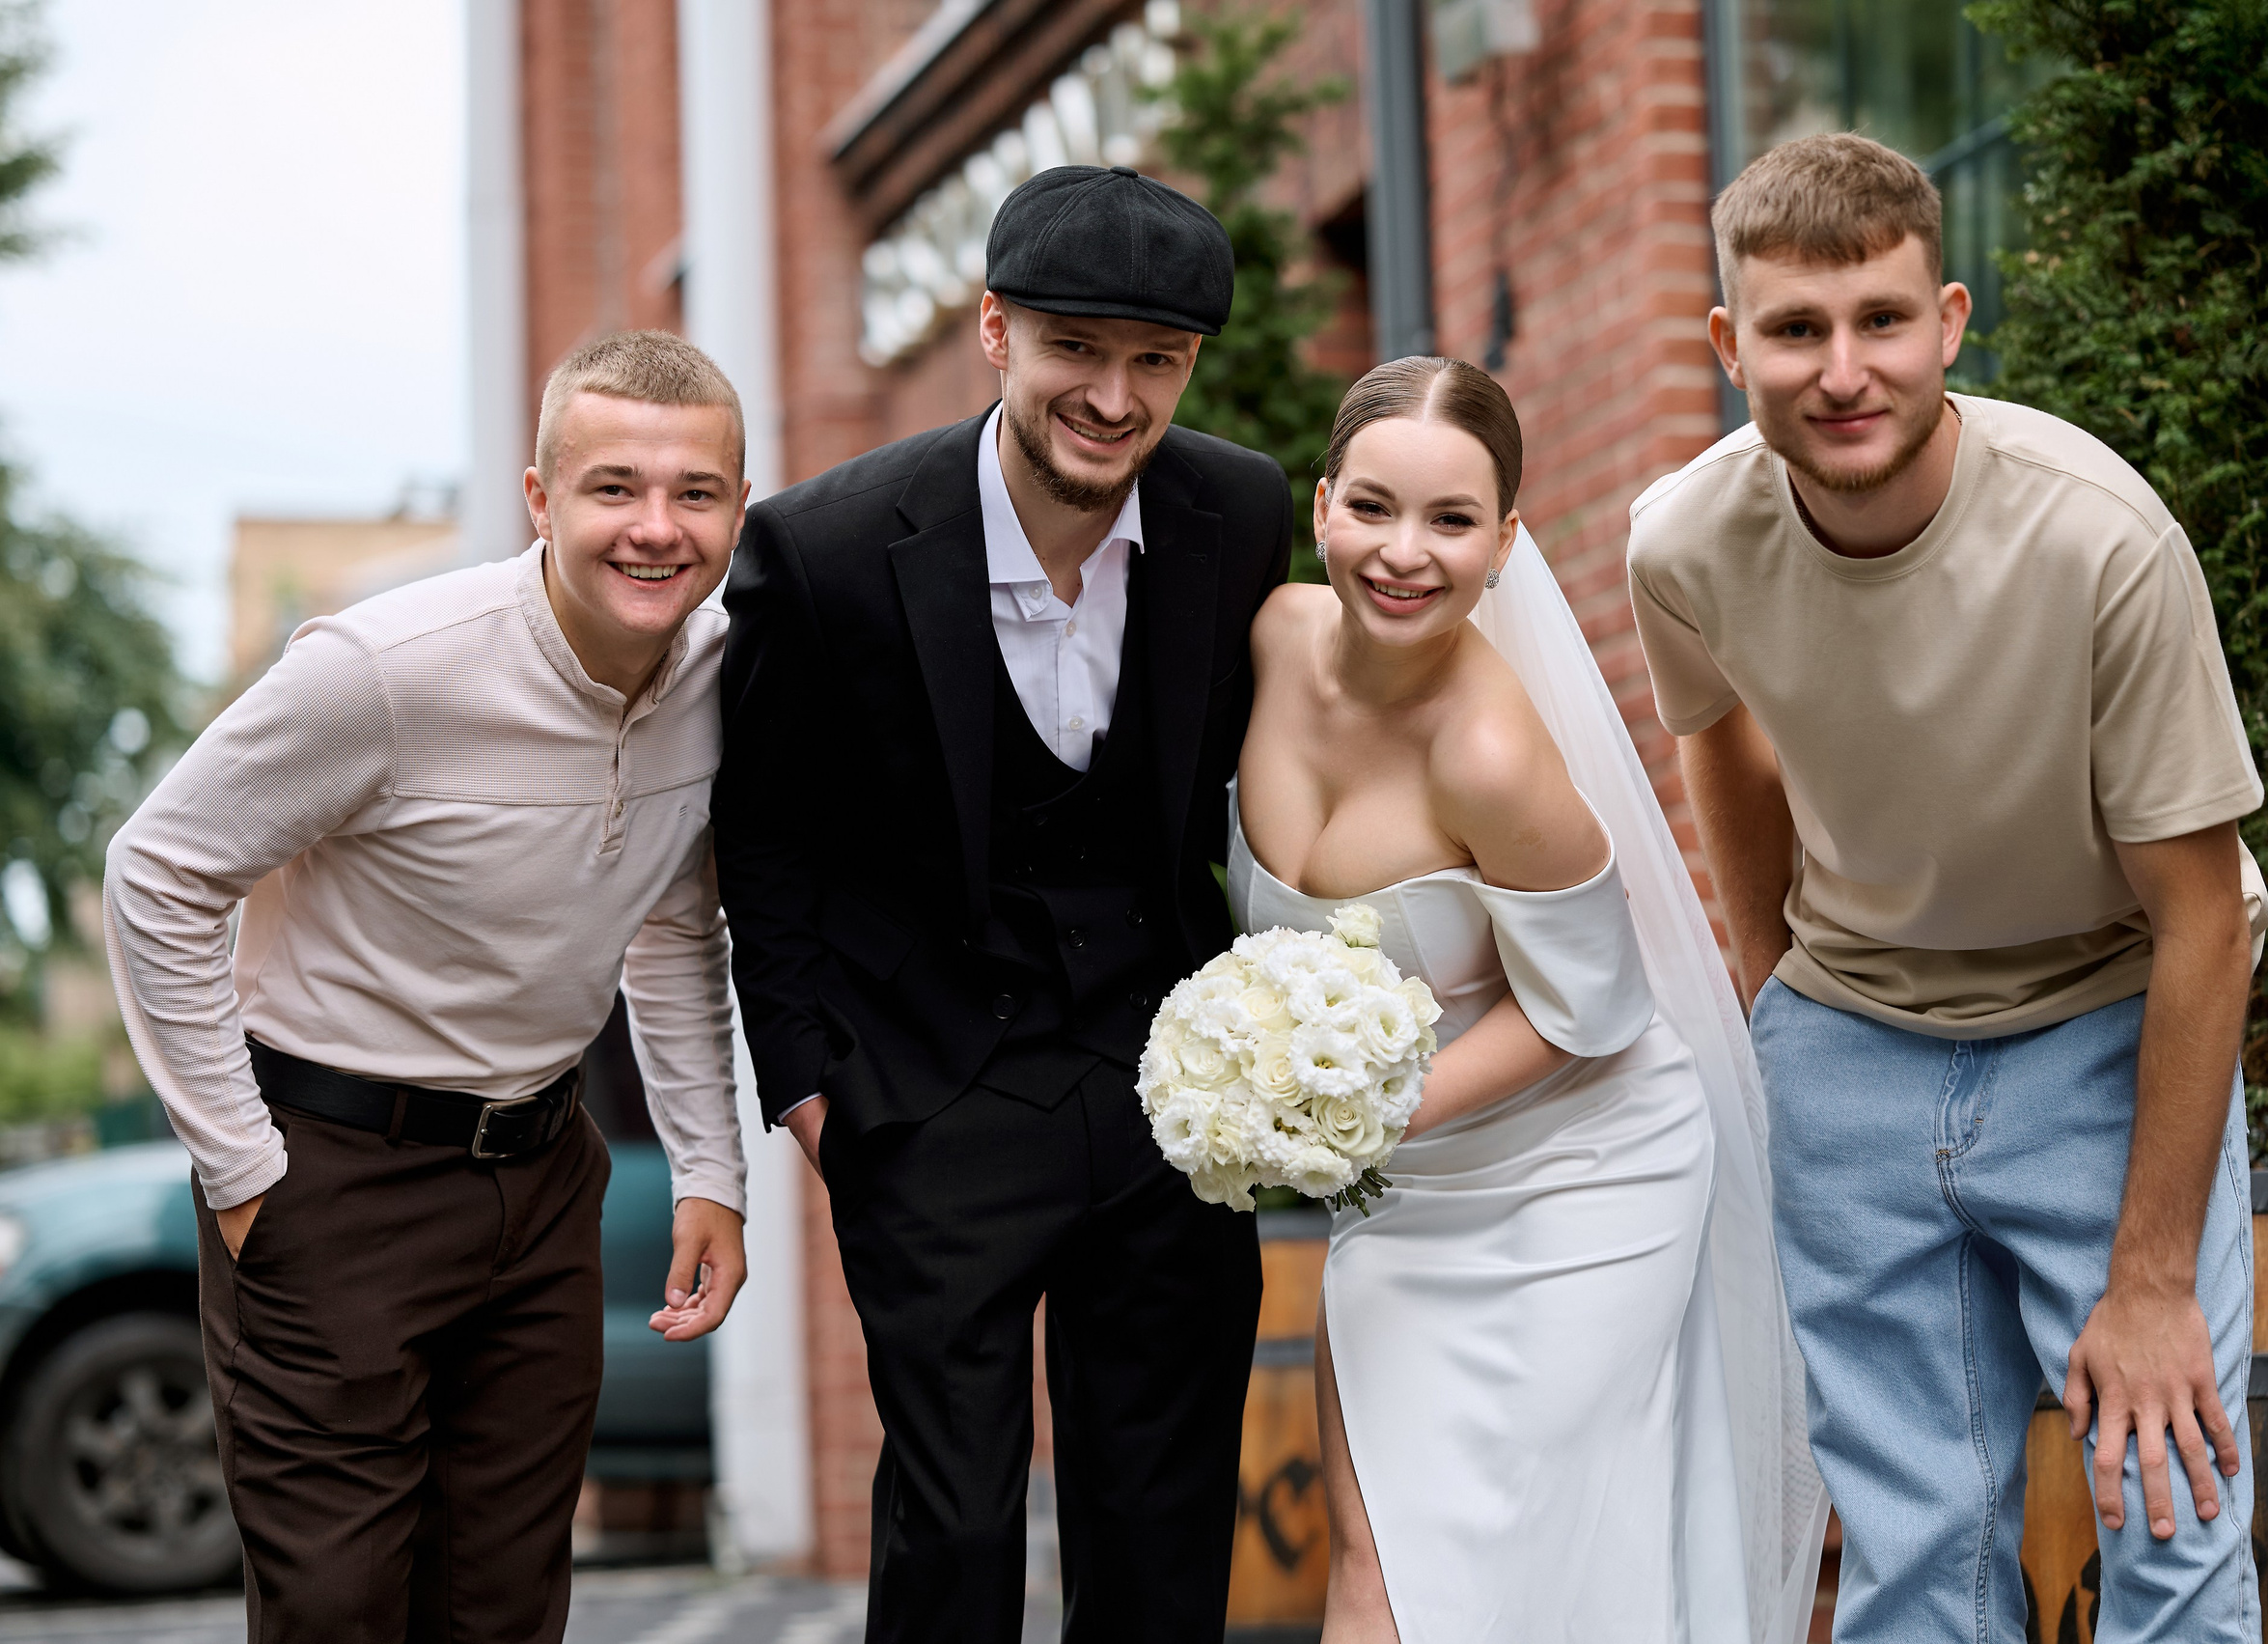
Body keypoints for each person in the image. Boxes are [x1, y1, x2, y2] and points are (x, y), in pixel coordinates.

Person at [1628, 133, 2268, 1644]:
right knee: (1915, 1551)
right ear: (1731, 346)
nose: (1842, 371)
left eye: (1883, 322)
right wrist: (1776, 1000)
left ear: (1952, 323)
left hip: (2102, 1021)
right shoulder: (1686, 540)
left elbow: (2203, 916)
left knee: (2167, 1517)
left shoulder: (2102, 541)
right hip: (1852, 1045)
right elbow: (1722, 743)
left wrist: (2156, 1280)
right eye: (1794, 329)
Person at [102, 331, 752, 1644]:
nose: (655, 529)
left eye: (696, 493)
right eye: (613, 487)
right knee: (340, 1612)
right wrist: (240, 1170)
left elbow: (677, 923)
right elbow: (158, 873)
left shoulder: (719, 676)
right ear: (538, 500)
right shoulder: (386, 670)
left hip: (544, 1176)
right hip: (330, 1180)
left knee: (503, 1608)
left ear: (738, 507)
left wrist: (709, 1171)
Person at [715, 164, 1289, 1641]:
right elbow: (762, 839)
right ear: (994, 330)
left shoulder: (1234, 513)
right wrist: (808, 1089)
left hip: (1165, 1087)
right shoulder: (827, 546)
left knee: (1162, 1519)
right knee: (957, 1524)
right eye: (1075, 350)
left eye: (1154, 362)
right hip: (929, 1085)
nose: (1113, 396)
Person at [1231, 354, 1825, 1644]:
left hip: (1581, 1182)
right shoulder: (1268, 643)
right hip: (1403, 1203)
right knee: (1372, 1575)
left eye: (1452, 521)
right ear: (1322, 505)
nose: (1405, 553)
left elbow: (1588, 1014)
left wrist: (1352, 1121)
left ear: (1505, 543)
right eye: (1375, 508)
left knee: (1532, 1583)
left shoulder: (1491, 755)